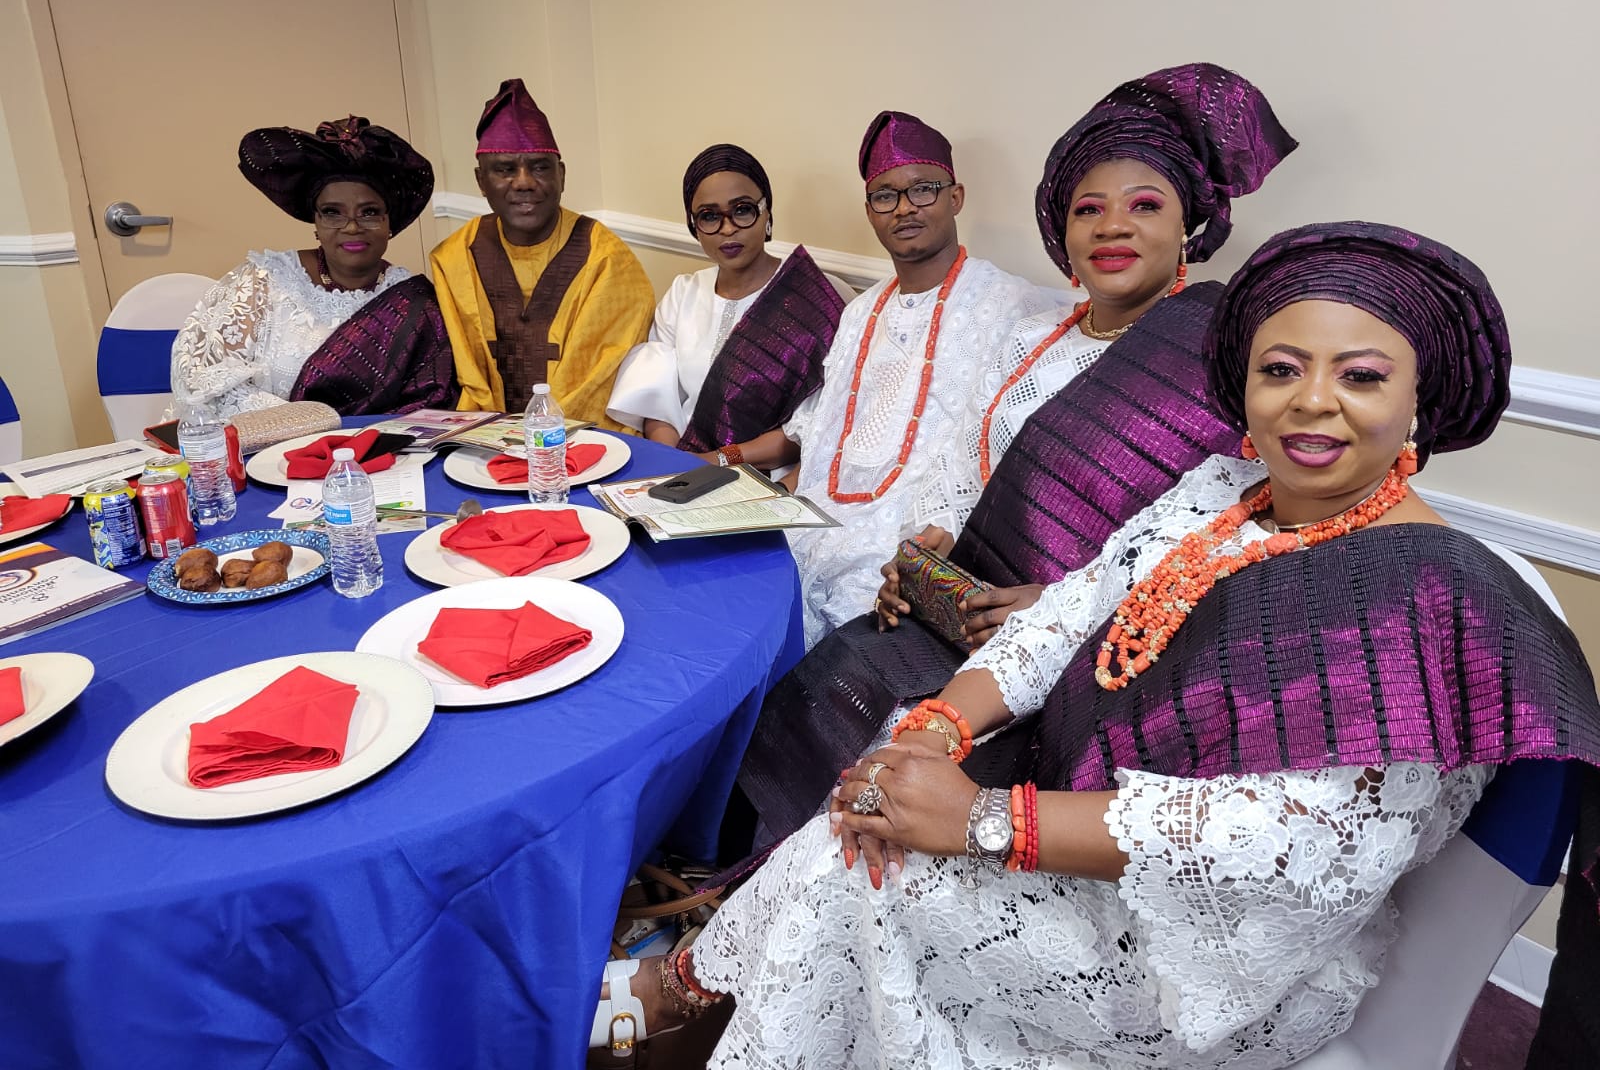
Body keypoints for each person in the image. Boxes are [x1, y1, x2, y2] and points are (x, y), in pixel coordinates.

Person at [593, 222, 1600, 1068]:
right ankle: (696, 994)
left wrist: (984, 818)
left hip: (1219, 955)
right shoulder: (1221, 493)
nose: (1311, 400)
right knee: (869, 814)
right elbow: (1067, 615)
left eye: (1362, 375)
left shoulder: (1433, 593)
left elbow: (1293, 849)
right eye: (1280, 369)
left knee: (863, 873)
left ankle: (680, 999)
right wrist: (938, 727)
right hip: (1086, 829)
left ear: (1419, 399)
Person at [740, 64, 1297, 841]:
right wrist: (926, 548)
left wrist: (1054, 605)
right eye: (1088, 209)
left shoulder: (1217, 360)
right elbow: (962, 465)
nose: (1112, 227)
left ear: (1189, 226)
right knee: (820, 692)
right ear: (1063, 231)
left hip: (1086, 657)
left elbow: (1221, 539)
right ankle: (742, 867)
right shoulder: (1031, 339)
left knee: (888, 775)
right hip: (961, 611)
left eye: (1144, 206)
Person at [783, 110, 1064, 647]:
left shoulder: (1014, 307)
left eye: (923, 189)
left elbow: (1011, 450)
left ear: (955, 197)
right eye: (885, 196)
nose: (904, 207)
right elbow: (823, 439)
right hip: (818, 521)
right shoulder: (859, 313)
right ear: (870, 212)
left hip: (920, 541)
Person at [171, 116, 454, 417]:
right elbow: (202, 382)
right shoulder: (264, 280)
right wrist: (307, 423)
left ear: (389, 223)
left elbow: (429, 403)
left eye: (369, 212)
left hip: (371, 445)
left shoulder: (416, 304)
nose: (352, 227)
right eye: (333, 212)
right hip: (253, 440)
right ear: (316, 222)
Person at [606, 143, 850, 471]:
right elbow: (657, 402)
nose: (727, 228)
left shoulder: (817, 296)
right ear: (694, 226)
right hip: (682, 467)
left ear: (767, 214)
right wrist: (674, 464)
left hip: (770, 477)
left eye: (742, 210)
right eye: (709, 216)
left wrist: (713, 462)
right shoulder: (683, 294)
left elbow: (812, 427)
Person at [429, 78, 653, 426]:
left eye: (539, 167)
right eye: (505, 169)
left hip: (580, 438)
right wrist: (490, 435)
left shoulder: (609, 261)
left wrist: (541, 435)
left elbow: (596, 383)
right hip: (480, 433)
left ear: (561, 175)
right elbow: (465, 375)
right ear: (480, 181)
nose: (523, 182)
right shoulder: (454, 257)